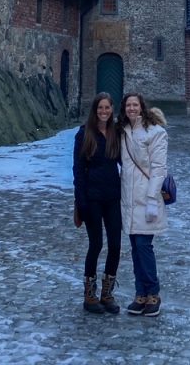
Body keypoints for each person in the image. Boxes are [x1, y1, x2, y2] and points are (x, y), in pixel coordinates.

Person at [118, 92, 168, 318]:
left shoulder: (156, 132)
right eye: (128, 105)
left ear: (142, 107)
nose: (131, 109)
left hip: (146, 198)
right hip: (128, 199)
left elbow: (159, 168)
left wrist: (151, 199)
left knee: (144, 247)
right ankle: (141, 295)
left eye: (135, 105)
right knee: (136, 249)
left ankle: (153, 294)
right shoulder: (122, 131)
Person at [72, 92, 122, 314]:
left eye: (107, 108)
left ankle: (107, 293)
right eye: (100, 108)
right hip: (92, 197)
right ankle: (89, 295)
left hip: (112, 196)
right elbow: (78, 169)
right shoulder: (84, 135)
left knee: (115, 245)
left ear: (112, 110)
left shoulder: (115, 133)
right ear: (95, 110)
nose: (104, 112)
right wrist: (80, 200)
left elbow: (127, 160)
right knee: (96, 245)